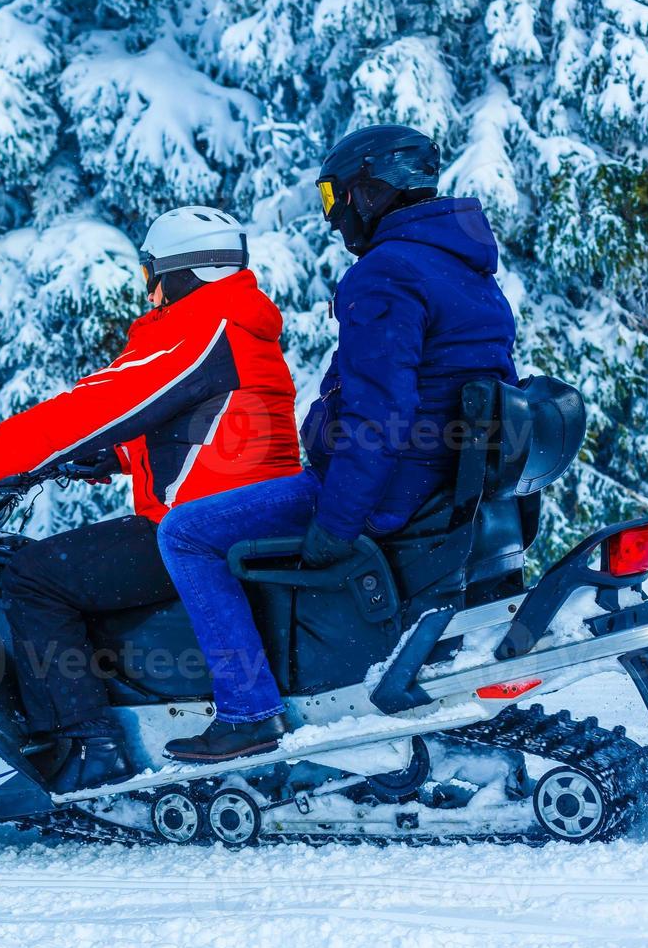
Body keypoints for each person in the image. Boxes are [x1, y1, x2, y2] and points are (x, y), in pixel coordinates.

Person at [159, 124, 519, 763]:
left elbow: (379, 414)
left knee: (184, 532)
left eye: (334, 196)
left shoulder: (386, 273)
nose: (334, 217)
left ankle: (248, 711)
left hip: (387, 489)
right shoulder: (466, 270)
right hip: (436, 481)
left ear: (368, 190)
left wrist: (339, 519)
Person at [0, 206, 302, 792]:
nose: (149, 290)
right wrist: (120, 457)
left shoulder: (204, 327)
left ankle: (88, 747)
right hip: (242, 507)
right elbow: (224, 428)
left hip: (200, 523)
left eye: (151, 273)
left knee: (35, 573)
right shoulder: (235, 325)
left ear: (181, 272)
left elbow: (91, 409)